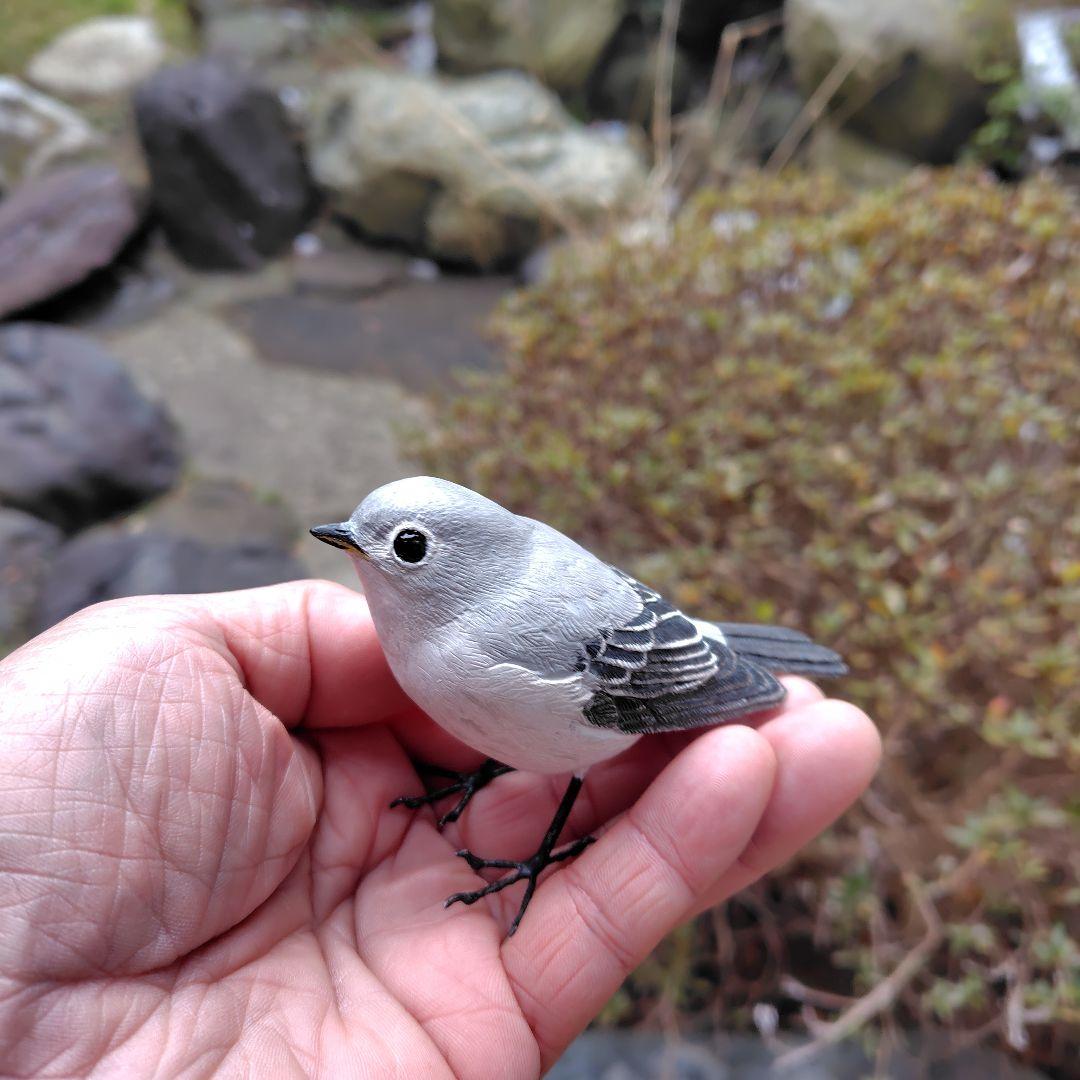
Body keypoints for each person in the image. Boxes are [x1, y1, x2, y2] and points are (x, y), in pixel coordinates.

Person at [0, 580, 880, 1076]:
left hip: (645, 675)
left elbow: (628, 683)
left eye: (406, 549)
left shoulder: (491, 632)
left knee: (573, 772)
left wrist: (735, 679)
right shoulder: (429, 635)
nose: (370, 559)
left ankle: (534, 858)